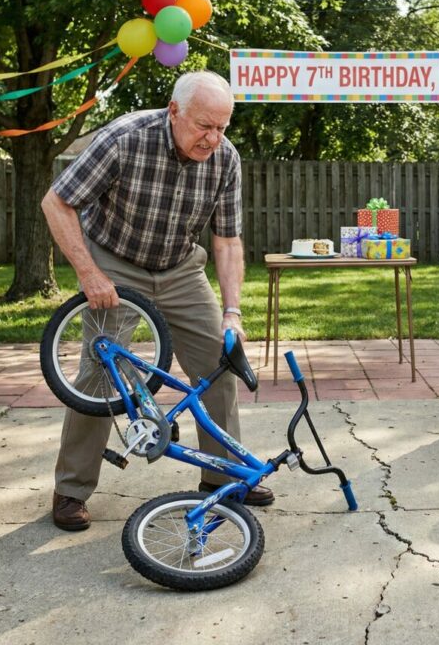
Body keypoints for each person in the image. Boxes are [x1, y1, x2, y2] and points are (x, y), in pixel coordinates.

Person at [41, 70, 273, 531]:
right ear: (174, 111)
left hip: (181, 265)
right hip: (116, 261)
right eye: (204, 125)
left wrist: (233, 312)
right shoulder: (125, 139)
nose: (213, 137)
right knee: (98, 374)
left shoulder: (225, 158)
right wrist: (89, 273)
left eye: (222, 127)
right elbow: (57, 202)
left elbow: (227, 240)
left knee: (220, 360)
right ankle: (71, 490)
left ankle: (221, 475)